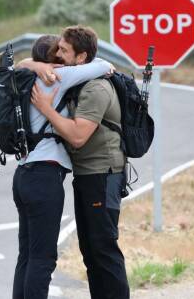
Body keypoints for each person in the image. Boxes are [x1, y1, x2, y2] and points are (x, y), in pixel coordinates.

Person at [12, 30, 114, 299]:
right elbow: (104, 65)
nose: (61, 55)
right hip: (44, 175)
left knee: (27, 255)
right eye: (58, 51)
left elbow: (16, 64)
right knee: (43, 258)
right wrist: (49, 66)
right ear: (53, 60)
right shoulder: (57, 75)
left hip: (23, 174)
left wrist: (34, 64)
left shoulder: (24, 77)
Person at [31, 25, 130, 299]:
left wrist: (46, 109)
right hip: (88, 176)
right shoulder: (80, 80)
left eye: (64, 50)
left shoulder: (96, 88)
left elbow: (77, 136)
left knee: (103, 248)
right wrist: (35, 65)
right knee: (90, 250)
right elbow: (28, 64)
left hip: (103, 174)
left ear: (82, 57)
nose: (57, 54)